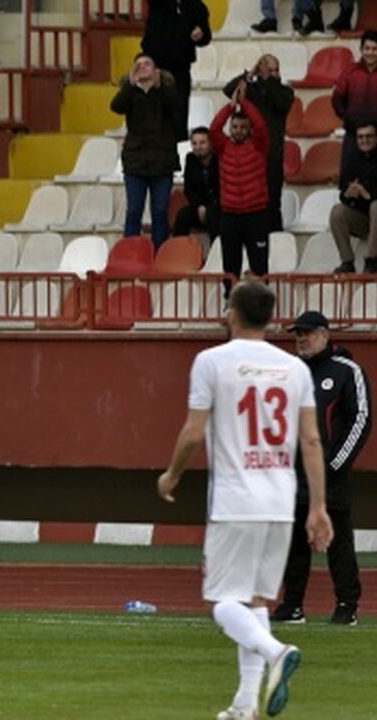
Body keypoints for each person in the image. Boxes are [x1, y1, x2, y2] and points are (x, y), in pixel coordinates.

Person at [157, 280, 333, 720]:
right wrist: (318, 507)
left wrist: (172, 475)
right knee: (254, 601)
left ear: (232, 314)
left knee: (221, 602)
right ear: (270, 318)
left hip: (235, 500)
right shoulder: (294, 368)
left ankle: (276, 652)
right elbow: (311, 440)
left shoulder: (212, 361)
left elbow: (193, 432)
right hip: (280, 501)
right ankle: (245, 704)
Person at [272, 311, 370, 627]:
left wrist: (335, 464)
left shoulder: (346, 371)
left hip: (331, 474)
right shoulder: (290, 371)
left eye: (308, 333)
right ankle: (292, 604)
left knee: (337, 540)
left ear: (325, 335)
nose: (302, 339)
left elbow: (360, 418)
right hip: (293, 473)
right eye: (298, 334)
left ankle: (346, 604)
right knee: (294, 540)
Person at [111, 53, 183, 249]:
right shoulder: (130, 93)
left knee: (159, 210)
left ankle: (159, 251)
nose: (142, 67)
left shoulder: (166, 91)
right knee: (134, 210)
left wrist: (159, 86)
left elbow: (177, 107)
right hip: (135, 161)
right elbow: (116, 107)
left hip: (162, 160)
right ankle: (130, 252)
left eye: (147, 64)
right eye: (138, 65)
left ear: (156, 69)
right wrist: (130, 84)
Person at [224, 54, 293, 230]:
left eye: (275, 70)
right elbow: (229, 90)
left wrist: (267, 79)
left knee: (272, 204)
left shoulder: (285, 92)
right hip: (250, 156)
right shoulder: (252, 90)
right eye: (269, 70)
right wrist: (250, 73)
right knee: (252, 205)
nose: (273, 74)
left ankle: (276, 241)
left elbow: (279, 102)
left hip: (272, 156)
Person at [209, 91, 272, 287]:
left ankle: (261, 300)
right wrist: (230, 107)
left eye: (243, 127)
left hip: (256, 215)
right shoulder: (223, 147)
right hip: (230, 216)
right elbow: (214, 129)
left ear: (249, 129)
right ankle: (230, 299)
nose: (238, 130)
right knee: (230, 268)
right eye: (235, 127)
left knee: (259, 267)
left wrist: (244, 104)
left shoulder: (259, 146)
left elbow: (261, 125)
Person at [140, 0, 210, 141]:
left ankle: (179, 146)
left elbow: (206, 36)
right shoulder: (159, 4)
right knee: (154, 111)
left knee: (179, 113)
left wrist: (201, 34)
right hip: (157, 67)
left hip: (181, 68)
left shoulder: (197, 6)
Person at [329, 121, 377, 273]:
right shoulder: (351, 160)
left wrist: (367, 194)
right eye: (360, 137)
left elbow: (370, 198)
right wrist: (349, 194)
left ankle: (372, 260)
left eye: (369, 136)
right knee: (337, 212)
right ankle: (347, 261)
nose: (364, 140)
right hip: (363, 219)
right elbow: (344, 194)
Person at [333, 32, 377, 189]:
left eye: (374, 49)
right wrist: (348, 117)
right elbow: (337, 98)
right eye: (367, 48)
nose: (370, 52)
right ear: (361, 50)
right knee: (349, 179)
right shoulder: (350, 72)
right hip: (353, 135)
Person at [172, 126, 221, 239]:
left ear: (211, 144)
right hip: (199, 206)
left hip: (219, 207)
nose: (198, 147)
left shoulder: (220, 159)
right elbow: (189, 188)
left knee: (214, 215)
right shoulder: (191, 159)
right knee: (183, 215)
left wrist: (212, 207)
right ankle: (179, 247)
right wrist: (199, 206)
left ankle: (216, 249)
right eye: (194, 143)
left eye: (202, 143)